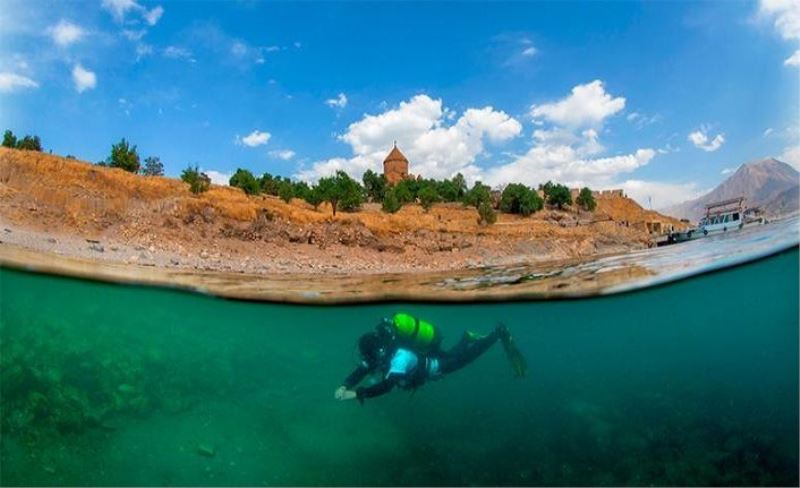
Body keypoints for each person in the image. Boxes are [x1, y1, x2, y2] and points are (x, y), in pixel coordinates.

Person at [334, 312, 526, 403]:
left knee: (467, 357)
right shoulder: (385, 352)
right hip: (429, 358)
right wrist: (345, 384)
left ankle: (497, 334)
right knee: (455, 354)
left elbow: (387, 386)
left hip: (437, 366)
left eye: (369, 356)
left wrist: (358, 393)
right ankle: (466, 338)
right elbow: (364, 368)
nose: (368, 360)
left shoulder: (400, 357)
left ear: (378, 351)